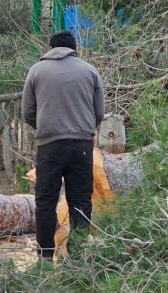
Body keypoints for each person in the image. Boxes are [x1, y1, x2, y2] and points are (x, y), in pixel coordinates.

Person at [22, 31, 105, 261]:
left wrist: (45, 128)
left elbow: (27, 112)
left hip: (49, 146)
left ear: (50, 48)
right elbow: (99, 112)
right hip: (82, 146)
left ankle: (46, 256)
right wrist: (83, 129)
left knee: (46, 200)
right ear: (74, 48)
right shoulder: (89, 71)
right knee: (80, 199)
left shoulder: (36, 71)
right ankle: (78, 256)